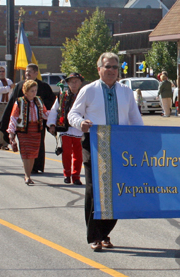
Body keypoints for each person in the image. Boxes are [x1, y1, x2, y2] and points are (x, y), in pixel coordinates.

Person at [68, 52, 143, 251]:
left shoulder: (126, 92)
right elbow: (72, 114)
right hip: (94, 144)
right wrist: (80, 123)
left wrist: (141, 140)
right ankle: (94, 236)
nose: (111, 70)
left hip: (120, 147)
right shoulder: (89, 90)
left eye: (115, 67)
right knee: (95, 190)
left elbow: (136, 120)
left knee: (116, 191)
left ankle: (105, 233)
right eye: (107, 66)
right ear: (99, 69)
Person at [0, 63, 56, 173]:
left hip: (38, 125)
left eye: (29, 72)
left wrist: (52, 121)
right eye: (26, 72)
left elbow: (51, 105)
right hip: (22, 125)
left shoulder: (44, 87)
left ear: (36, 73)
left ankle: (36, 167)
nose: (27, 74)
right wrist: (9, 126)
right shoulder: (20, 86)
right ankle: (27, 169)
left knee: (37, 145)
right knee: (25, 147)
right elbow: (12, 105)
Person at [7, 80, 50, 185]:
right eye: (32, 91)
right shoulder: (19, 102)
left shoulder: (39, 101)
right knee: (26, 154)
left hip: (36, 130)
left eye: (35, 90)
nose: (34, 93)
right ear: (25, 91)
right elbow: (14, 117)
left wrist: (55, 113)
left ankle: (28, 174)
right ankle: (27, 176)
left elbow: (45, 114)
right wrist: (11, 132)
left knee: (33, 154)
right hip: (24, 131)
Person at [47, 73, 84, 185]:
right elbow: (54, 110)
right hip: (65, 129)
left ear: (80, 83)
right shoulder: (62, 96)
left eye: (76, 81)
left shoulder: (84, 96)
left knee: (79, 155)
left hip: (79, 129)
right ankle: (67, 174)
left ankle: (76, 176)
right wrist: (52, 124)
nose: (74, 83)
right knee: (66, 153)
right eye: (71, 81)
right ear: (67, 83)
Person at [0, 66, 15, 150]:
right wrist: (9, 87)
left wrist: (9, 88)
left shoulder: (9, 81)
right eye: (0, 71)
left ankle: (5, 144)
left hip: (7, 105)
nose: (1, 73)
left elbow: (12, 92)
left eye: (3, 71)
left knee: (7, 125)